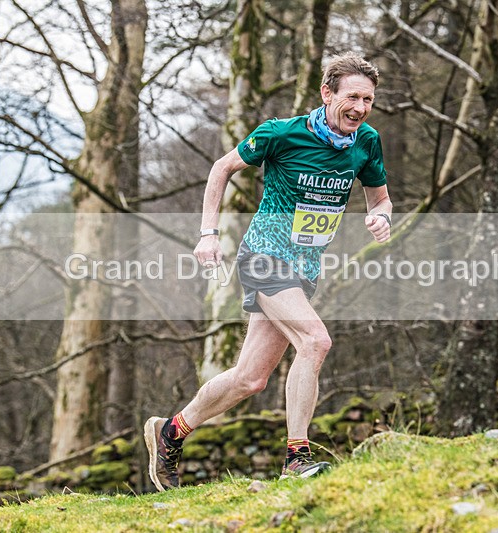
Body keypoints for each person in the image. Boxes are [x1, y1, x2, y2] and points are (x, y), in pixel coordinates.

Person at [144, 52, 392, 491]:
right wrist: (208, 234)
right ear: (327, 93)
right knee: (316, 342)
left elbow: (380, 198)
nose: (360, 107)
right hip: (264, 257)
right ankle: (297, 457)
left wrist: (381, 217)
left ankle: (171, 431)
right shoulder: (281, 134)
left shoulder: (366, 141)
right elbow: (222, 168)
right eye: (352, 96)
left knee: (250, 378)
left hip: (304, 269)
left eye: (368, 99)